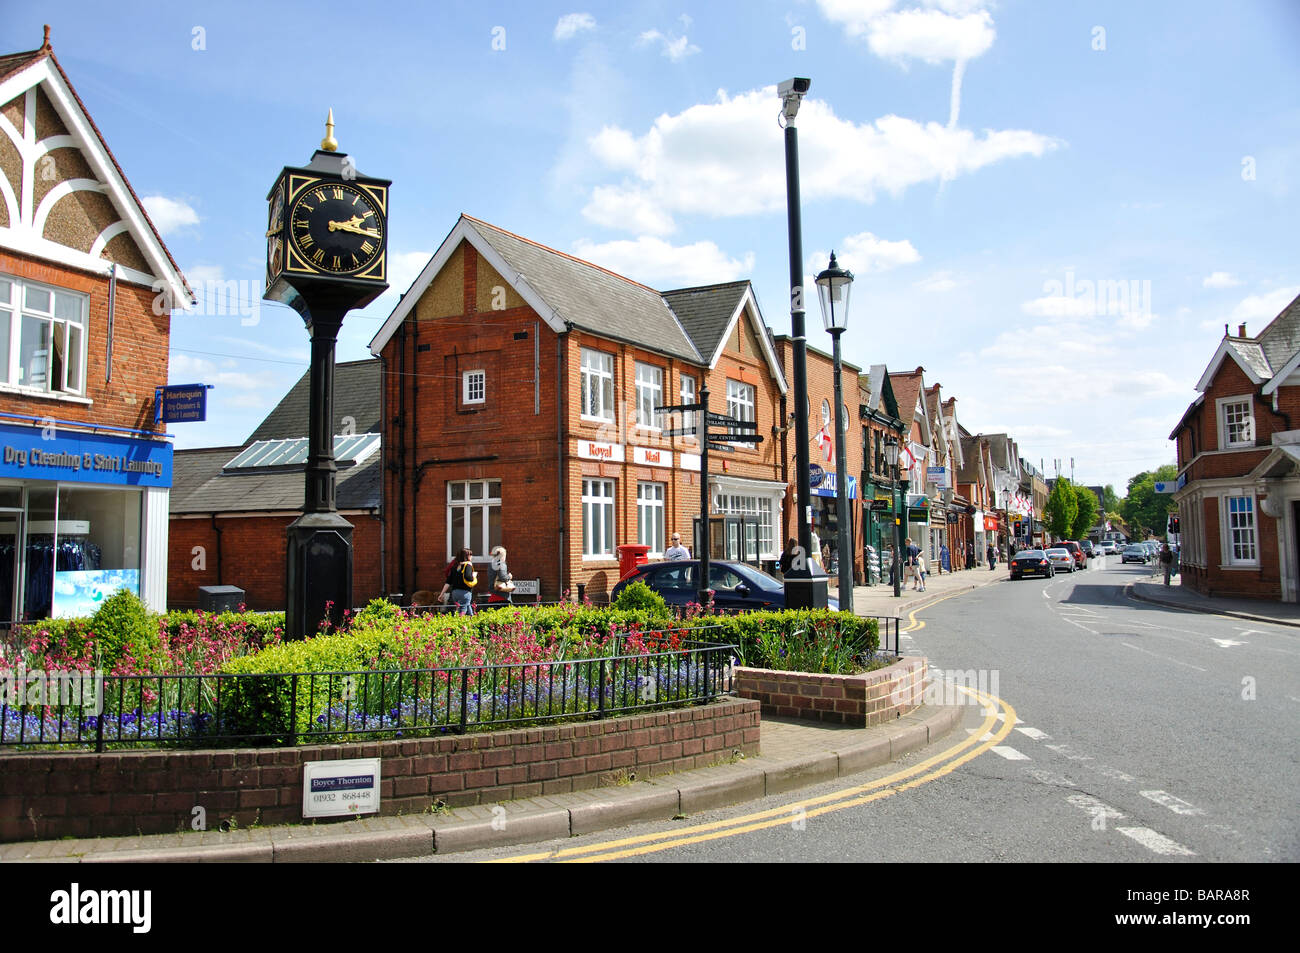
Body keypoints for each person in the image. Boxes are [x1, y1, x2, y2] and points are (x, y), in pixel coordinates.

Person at [449, 547, 477, 615]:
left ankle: (472, 621)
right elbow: (468, 577)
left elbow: (449, 581)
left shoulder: (455, 566)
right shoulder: (468, 565)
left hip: (454, 593)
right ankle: (458, 623)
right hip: (465, 592)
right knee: (462, 610)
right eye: (470, 555)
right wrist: (474, 575)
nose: (471, 557)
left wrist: (441, 594)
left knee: (468, 607)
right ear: (467, 556)